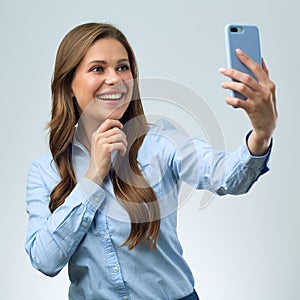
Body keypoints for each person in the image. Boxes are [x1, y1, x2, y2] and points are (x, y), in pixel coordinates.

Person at [25, 22, 277, 300]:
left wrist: (261, 135)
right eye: (98, 68)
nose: (116, 79)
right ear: (69, 84)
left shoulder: (162, 142)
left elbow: (227, 176)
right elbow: (44, 260)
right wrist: (93, 176)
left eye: (123, 67)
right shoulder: (45, 171)